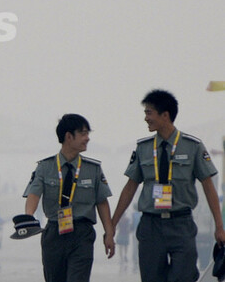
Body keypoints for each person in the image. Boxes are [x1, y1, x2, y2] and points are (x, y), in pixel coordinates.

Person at [108, 89, 225, 282]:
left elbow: (208, 186)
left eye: (149, 113)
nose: (146, 118)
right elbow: (130, 187)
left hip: (181, 225)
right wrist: (112, 225)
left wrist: (219, 227)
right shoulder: (143, 148)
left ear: (165, 115)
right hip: (151, 226)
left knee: (184, 276)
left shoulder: (193, 147)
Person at [21, 113, 115, 282]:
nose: (87, 138)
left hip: (82, 234)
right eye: (83, 134)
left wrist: (109, 233)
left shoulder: (92, 169)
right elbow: (34, 194)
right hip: (54, 233)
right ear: (68, 137)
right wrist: (28, 216)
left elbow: (102, 202)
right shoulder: (45, 167)